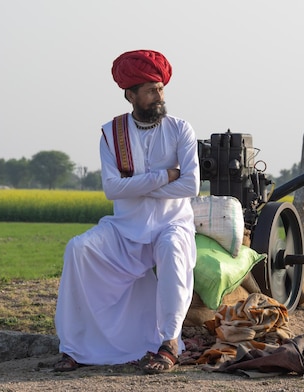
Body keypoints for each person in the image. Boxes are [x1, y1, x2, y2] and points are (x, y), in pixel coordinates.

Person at [53, 49, 200, 374]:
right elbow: (112, 189)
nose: (158, 95)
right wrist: (165, 176)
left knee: (174, 250)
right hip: (125, 228)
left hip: (171, 224)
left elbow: (190, 186)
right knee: (78, 249)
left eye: (161, 88)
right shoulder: (111, 134)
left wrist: (136, 184)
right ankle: (75, 347)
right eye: (150, 90)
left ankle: (169, 343)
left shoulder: (180, 129)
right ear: (130, 95)